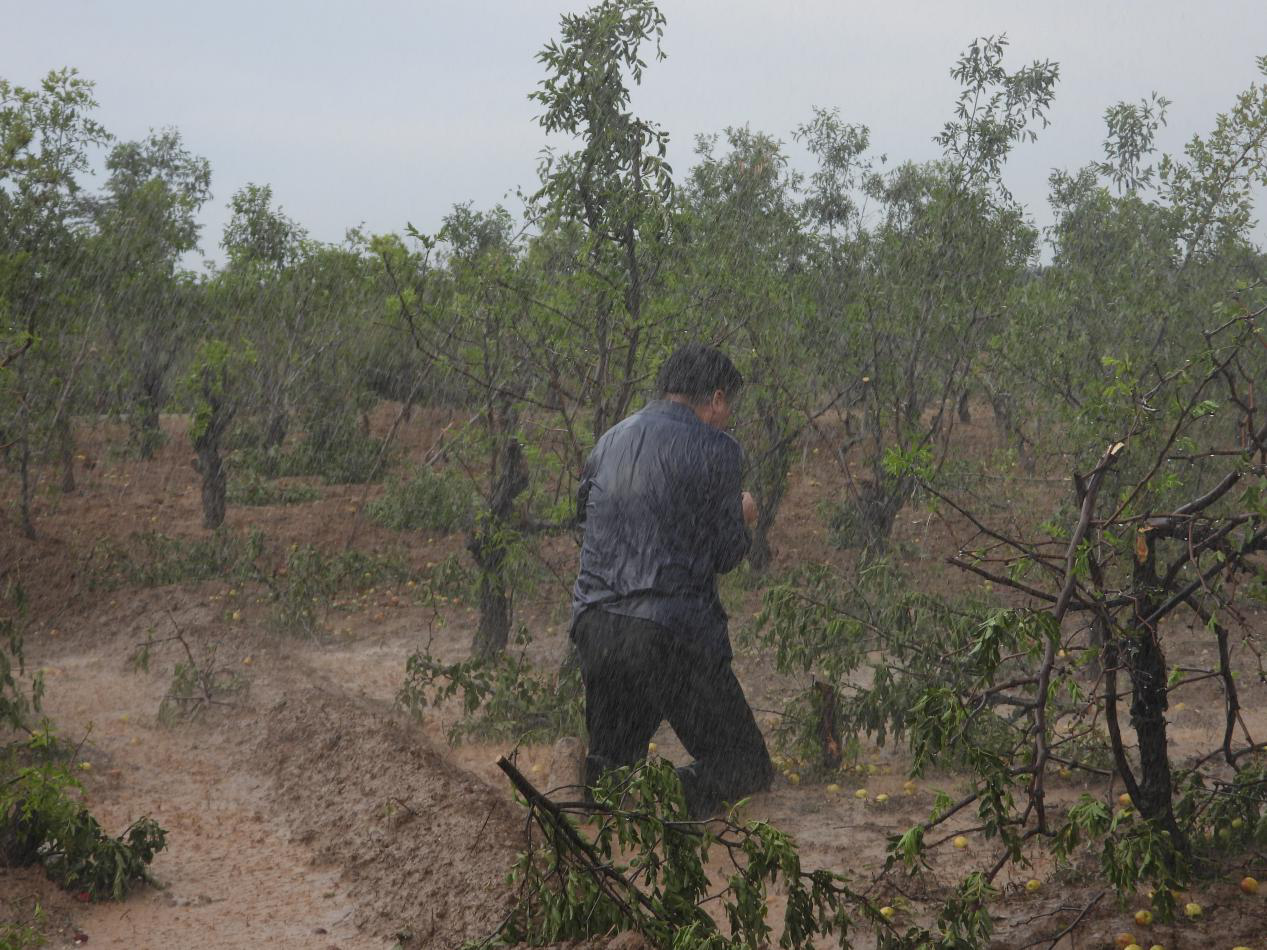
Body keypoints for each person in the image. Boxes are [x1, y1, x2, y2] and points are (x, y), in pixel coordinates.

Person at [570, 342, 774, 819]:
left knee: (611, 776)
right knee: (744, 769)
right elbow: (725, 555)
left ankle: (598, 802)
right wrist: (741, 516)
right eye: (729, 408)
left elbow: (584, 519)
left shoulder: (607, 441)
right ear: (717, 398)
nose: (727, 419)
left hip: (596, 626)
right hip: (670, 633)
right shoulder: (717, 448)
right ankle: (661, 803)